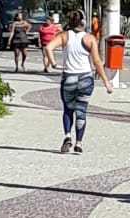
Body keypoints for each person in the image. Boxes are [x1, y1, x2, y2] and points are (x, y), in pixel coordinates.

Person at [45, 10, 113, 153]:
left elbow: (48, 47)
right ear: (83, 22)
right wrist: (106, 82)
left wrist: (54, 64)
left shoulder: (64, 36)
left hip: (69, 77)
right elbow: (97, 62)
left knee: (68, 110)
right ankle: (79, 143)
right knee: (81, 111)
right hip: (85, 79)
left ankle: (67, 136)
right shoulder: (90, 39)